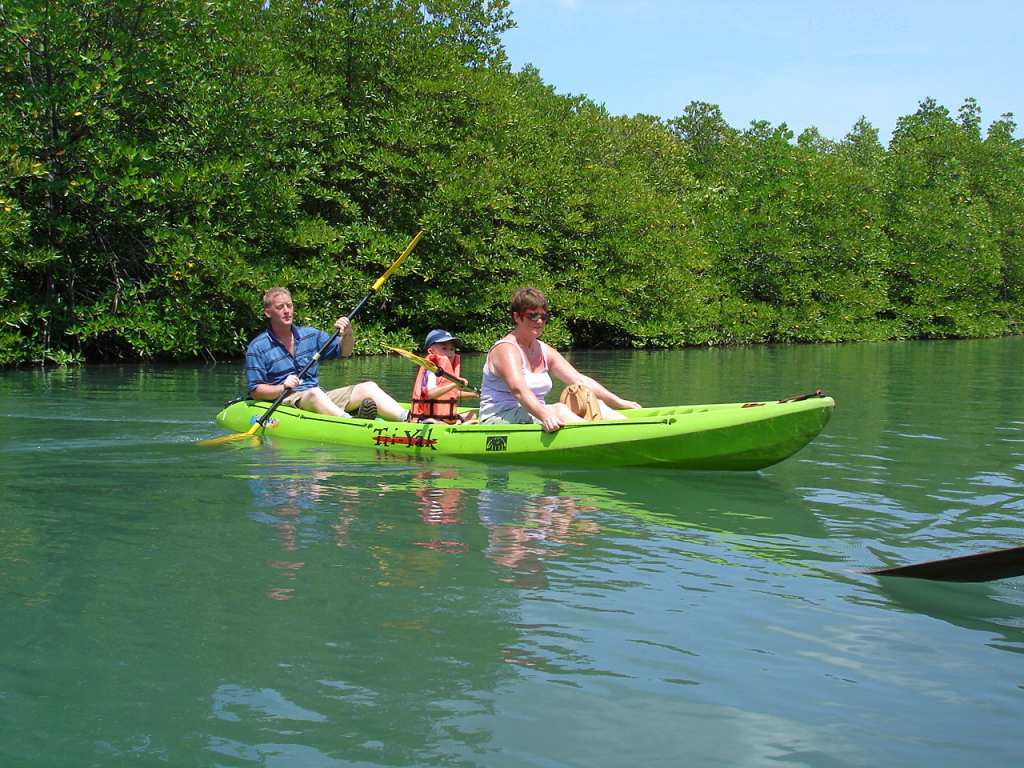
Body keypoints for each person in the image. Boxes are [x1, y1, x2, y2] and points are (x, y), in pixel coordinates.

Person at [478, 287, 641, 432]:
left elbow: (580, 380)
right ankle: (603, 438)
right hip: (498, 419)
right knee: (559, 410)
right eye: (532, 316)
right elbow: (519, 391)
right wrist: (545, 415)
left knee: (595, 403)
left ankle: (635, 432)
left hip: (534, 413)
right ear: (517, 317)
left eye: (543, 316)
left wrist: (620, 402)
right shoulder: (506, 349)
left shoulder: (544, 350)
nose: (539, 321)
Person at [245, 286, 412, 421]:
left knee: (368, 387)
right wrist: (283, 387)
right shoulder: (258, 347)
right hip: (286, 400)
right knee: (314, 393)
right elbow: (255, 391)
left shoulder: (310, 335)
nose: (287, 311)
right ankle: (350, 423)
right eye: (280, 307)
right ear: (268, 312)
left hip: (319, 396)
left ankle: (409, 420)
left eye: (289, 305)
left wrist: (347, 334)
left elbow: (344, 352)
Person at [410, 329, 478, 424]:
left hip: (445, 417)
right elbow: (430, 394)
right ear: (431, 351)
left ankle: (458, 424)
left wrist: (475, 395)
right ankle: (456, 426)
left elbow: (450, 395)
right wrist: (455, 384)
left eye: (452, 349)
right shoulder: (432, 371)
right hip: (430, 416)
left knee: (473, 415)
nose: (449, 353)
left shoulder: (447, 370)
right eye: (444, 348)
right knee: (435, 422)